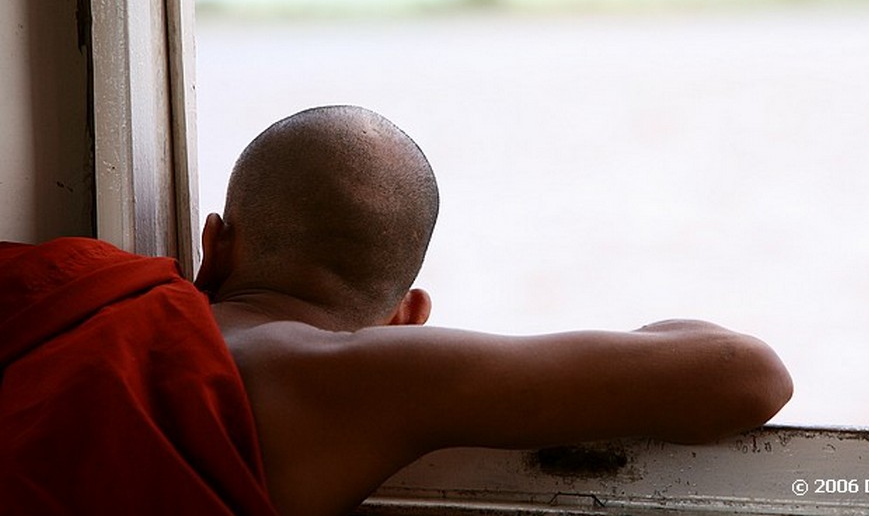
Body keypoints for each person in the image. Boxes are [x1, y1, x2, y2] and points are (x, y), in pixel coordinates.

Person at [0, 105, 792, 516]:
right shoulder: (343, 379)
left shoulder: (69, 285)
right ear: (406, 315)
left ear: (213, 246)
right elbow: (748, 372)